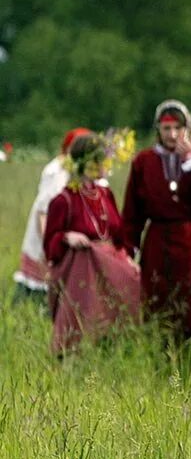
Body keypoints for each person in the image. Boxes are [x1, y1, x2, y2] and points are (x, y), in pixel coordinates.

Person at [122, 100, 191, 372]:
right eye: (166, 128)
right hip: (157, 242)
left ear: (186, 128)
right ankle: (162, 370)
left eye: (177, 128)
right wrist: (129, 247)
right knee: (158, 306)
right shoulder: (144, 161)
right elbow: (133, 211)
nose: (171, 134)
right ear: (158, 128)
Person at [43, 130, 141, 353]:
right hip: (82, 275)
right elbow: (50, 244)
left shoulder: (105, 194)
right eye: (100, 160)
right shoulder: (64, 199)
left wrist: (126, 259)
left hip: (110, 271)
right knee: (81, 328)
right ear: (87, 163)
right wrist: (67, 237)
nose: (106, 165)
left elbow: (119, 234)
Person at [14, 128, 92, 305]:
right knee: (36, 290)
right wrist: (48, 245)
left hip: (64, 236)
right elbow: (44, 211)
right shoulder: (57, 171)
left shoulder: (81, 170)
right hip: (48, 234)